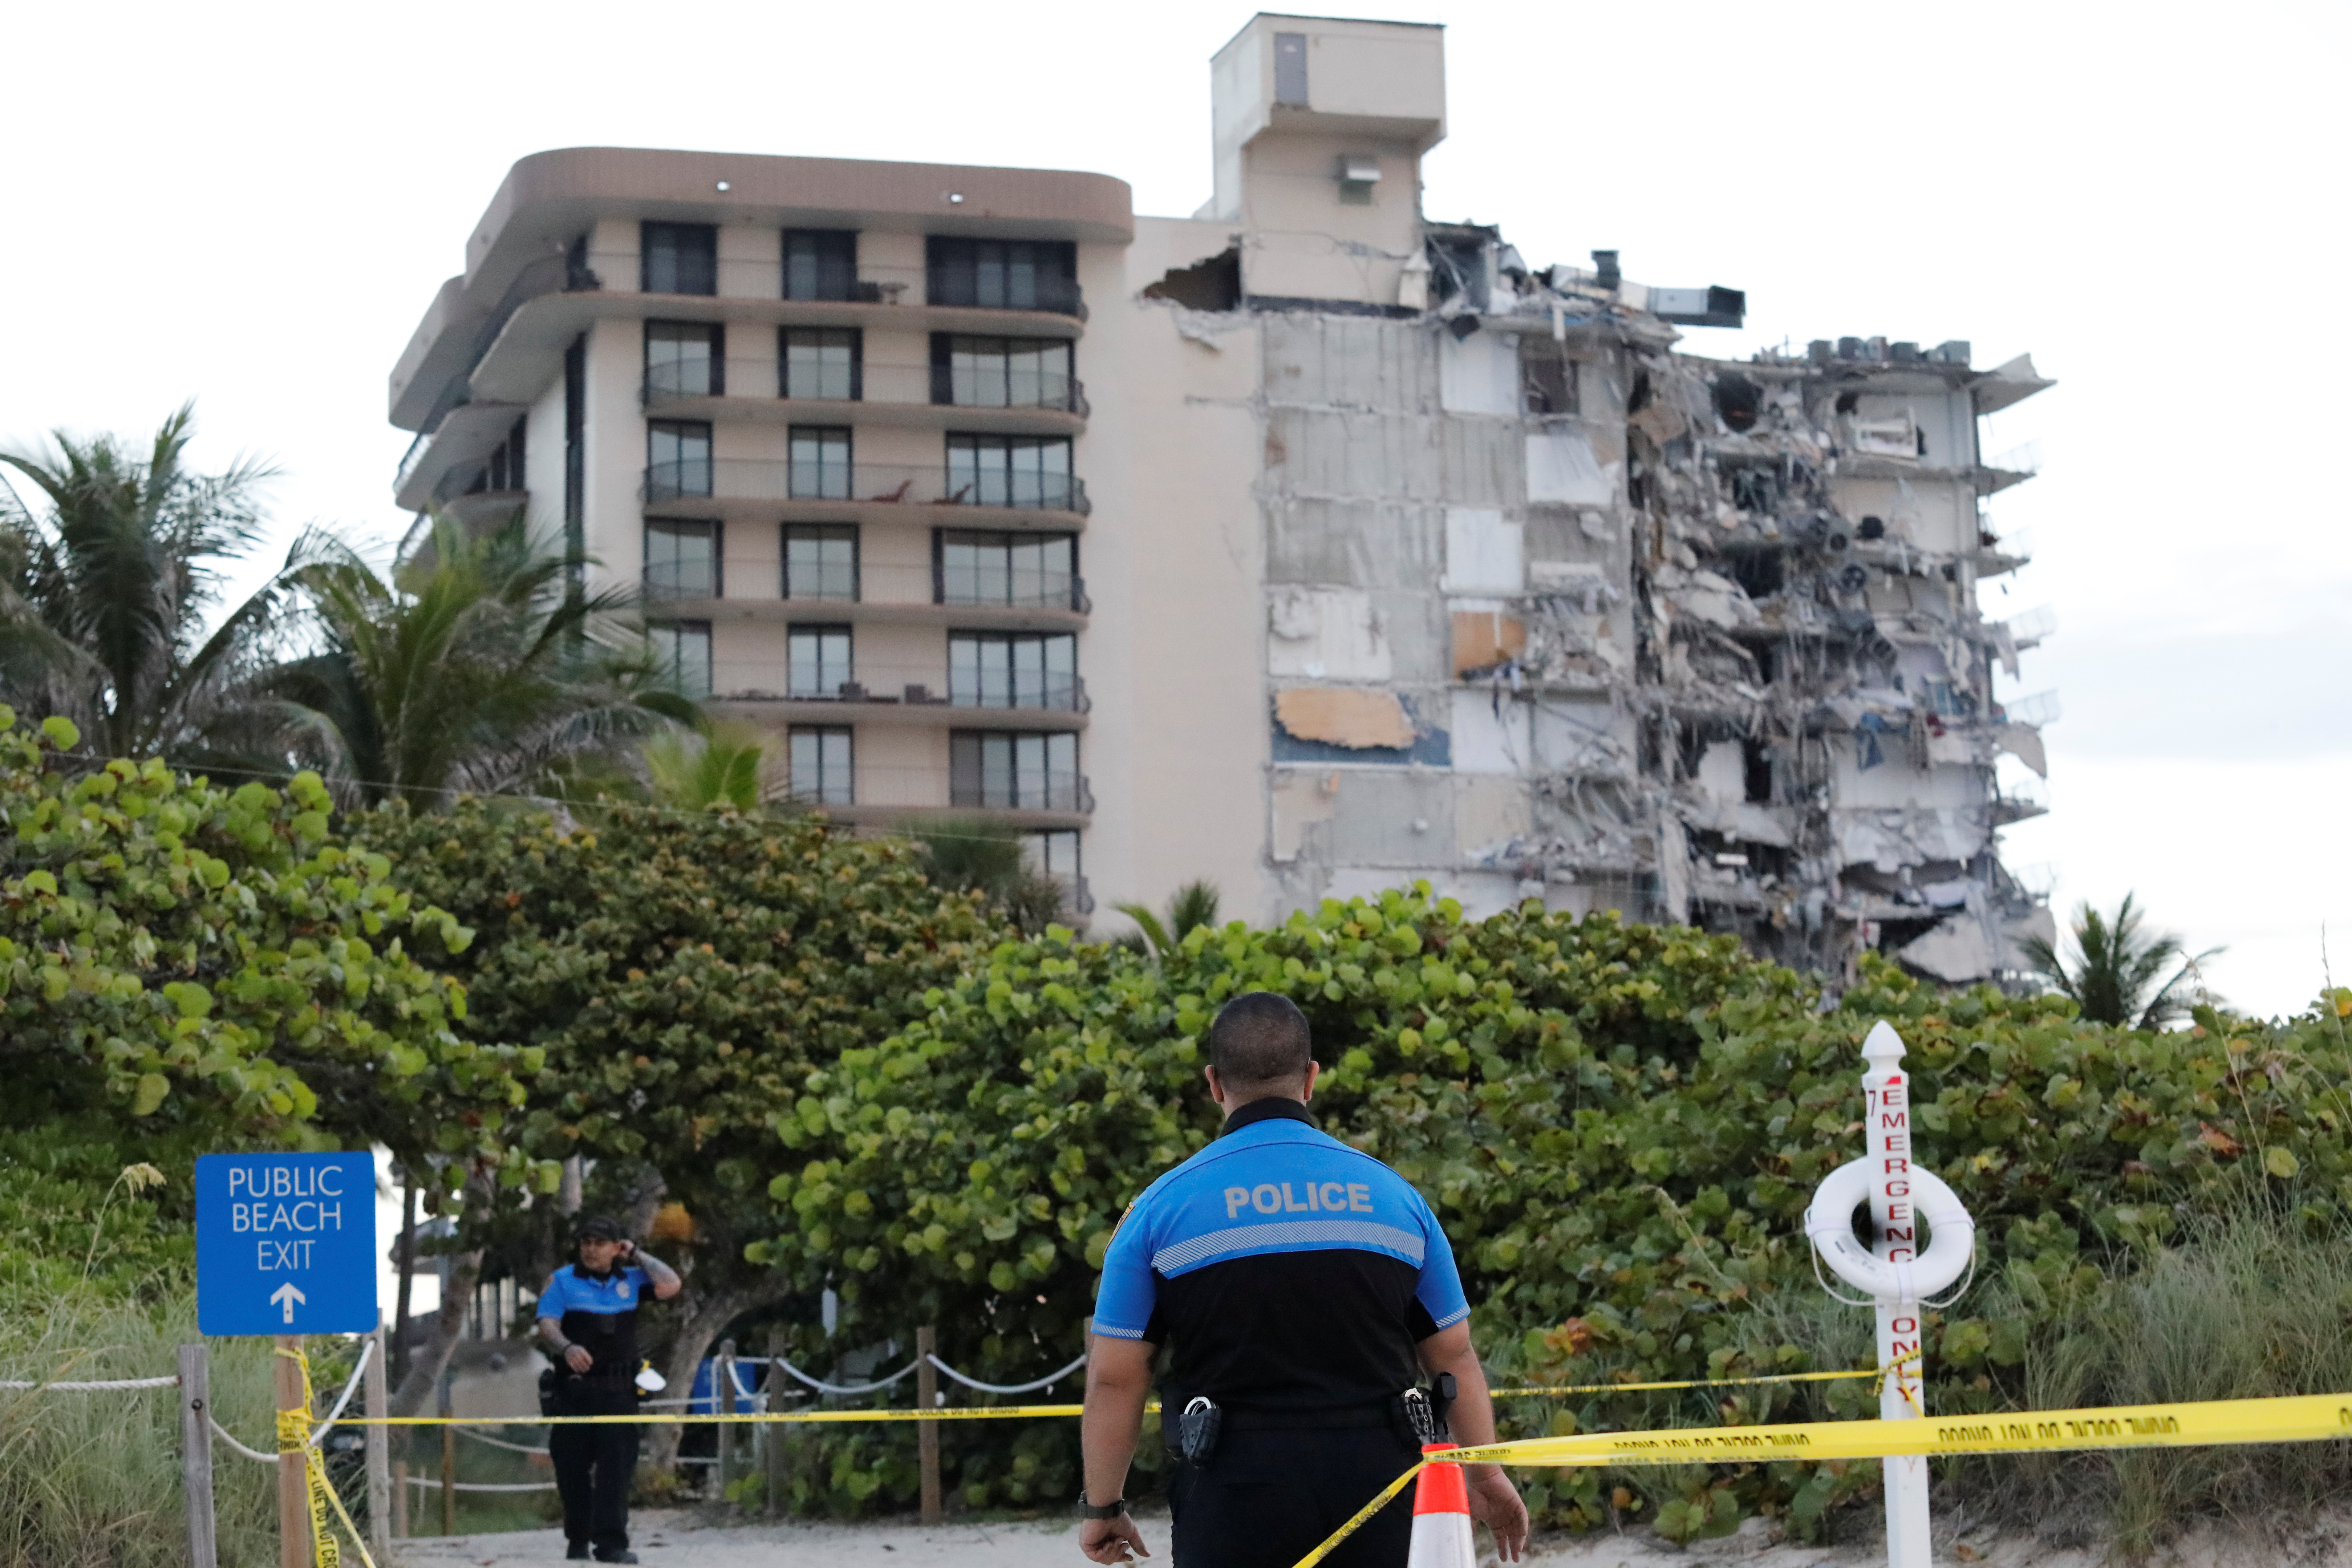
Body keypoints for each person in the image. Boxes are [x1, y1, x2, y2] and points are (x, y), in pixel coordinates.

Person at [1076, 992, 1529, 1567]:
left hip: (1233, 1490)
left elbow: (1115, 1378)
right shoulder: (1396, 1199)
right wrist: (1486, 1476)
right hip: (1383, 1485)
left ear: (1215, 1084)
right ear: (1311, 1077)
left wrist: (1103, 1507)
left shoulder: (1159, 1212)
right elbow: (1454, 1354)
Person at [536, 1216, 681, 1563]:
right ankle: (578, 1536)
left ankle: (611, 1544)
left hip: (619, 1391)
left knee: (617, 1470)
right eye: (586, 1241)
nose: (591, 1249)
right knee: (571, 1468)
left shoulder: (631, 1280)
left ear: (617, 1248)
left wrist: (637, 1254)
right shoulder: (562, 1280)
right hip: (575, 1391)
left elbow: (672, 1284)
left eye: (600, 1243)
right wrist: (567, 1347)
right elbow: (547, 1324)